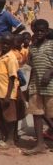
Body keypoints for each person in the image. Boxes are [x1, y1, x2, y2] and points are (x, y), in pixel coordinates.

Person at [24, 19, 53, 155]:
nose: (39, 33)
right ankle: (40, 144)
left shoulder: (52, 45)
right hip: (36, 86)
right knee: (37, 114)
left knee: (51, 115)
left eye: (42, 31)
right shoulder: (32, 48)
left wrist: (49, 72)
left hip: (51, 87)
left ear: (47, 31)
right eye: (37, 31)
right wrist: (29, 86)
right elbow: (33, 69)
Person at [0, 36, 20, 149]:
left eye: (8, 44)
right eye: (4, 43)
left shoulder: (11, 58)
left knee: (9, 117)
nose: (5, 46)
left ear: (12, 45)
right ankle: (3, 137)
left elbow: (12, 78)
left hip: (6, 93)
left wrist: (8, 95)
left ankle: (10, 140)